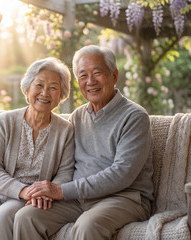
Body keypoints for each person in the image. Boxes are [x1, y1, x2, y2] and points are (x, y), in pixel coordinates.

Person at [14, 45, 154, 240]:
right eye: (83, 75)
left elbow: (122, 174)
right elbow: (65, 165)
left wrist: (60, 191)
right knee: (26, 217)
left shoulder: (135, 117)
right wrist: (47, 191)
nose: (90, 82)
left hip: (124, 198)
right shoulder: (77, 116)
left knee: (87, 226)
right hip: (79, 199)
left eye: (97, 73)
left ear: (114, 75)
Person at [0, 57, 75, 240]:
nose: (45, 93)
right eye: (39, 85)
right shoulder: (5, 121)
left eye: (53, 87)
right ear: (27, 88)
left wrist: (45, 192)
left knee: (2, 219)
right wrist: (21, 190)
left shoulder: (66, 130)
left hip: (29, 198)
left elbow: (65, 173)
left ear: (61, 95)